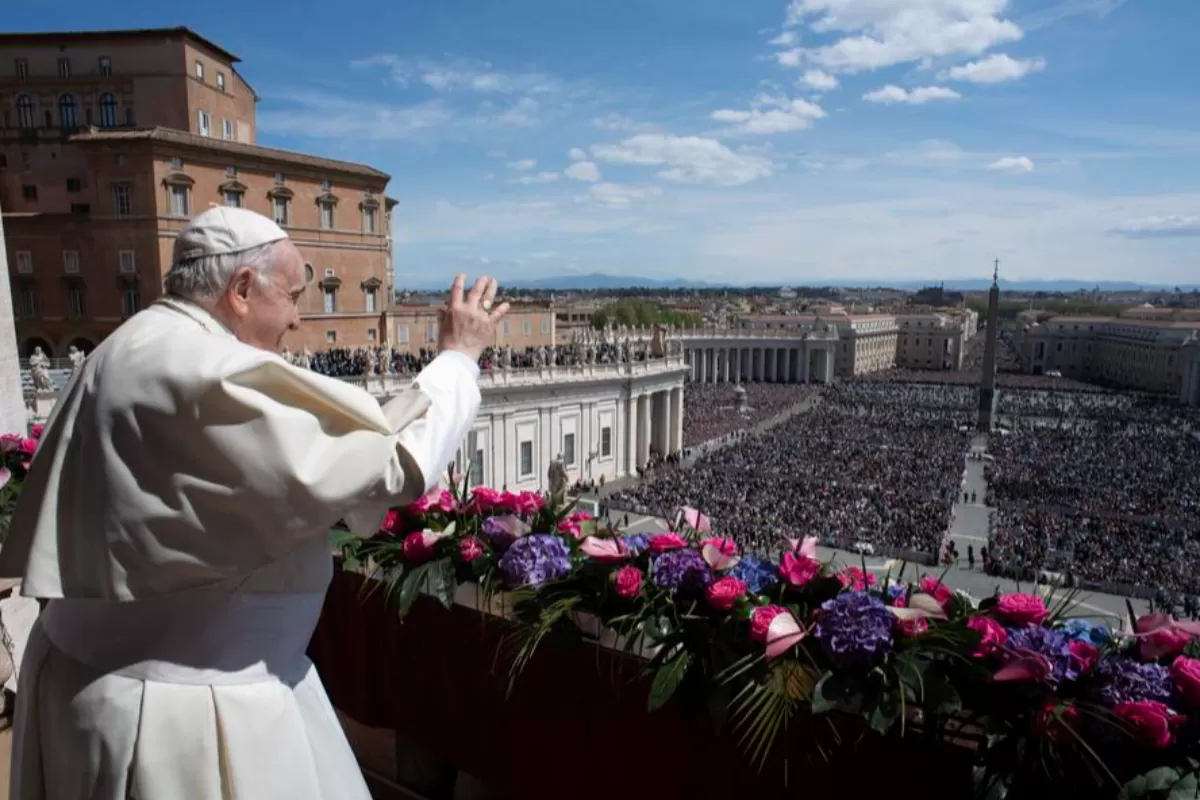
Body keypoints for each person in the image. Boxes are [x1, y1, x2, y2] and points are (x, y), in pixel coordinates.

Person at [0, 207, 510, 800]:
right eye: (292, 296)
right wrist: (458, 359)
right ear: (242, 289)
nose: (297, 318)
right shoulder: (204, 370)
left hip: (87, 684)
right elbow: (392, 465)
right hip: (180, 715)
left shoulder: (125, 347)